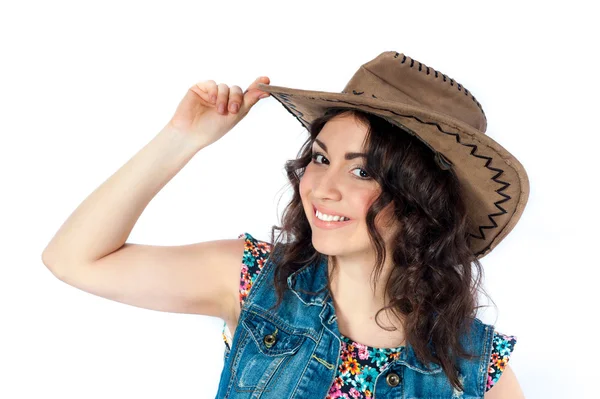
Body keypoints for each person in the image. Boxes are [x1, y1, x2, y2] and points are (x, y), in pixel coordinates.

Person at [42, 51, 528, 398]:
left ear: (421, 201)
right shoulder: (255, 282)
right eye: (320, 158)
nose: (322, 187)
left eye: (362, 171)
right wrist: (181, 139)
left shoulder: (475, 369)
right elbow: (72, 259)